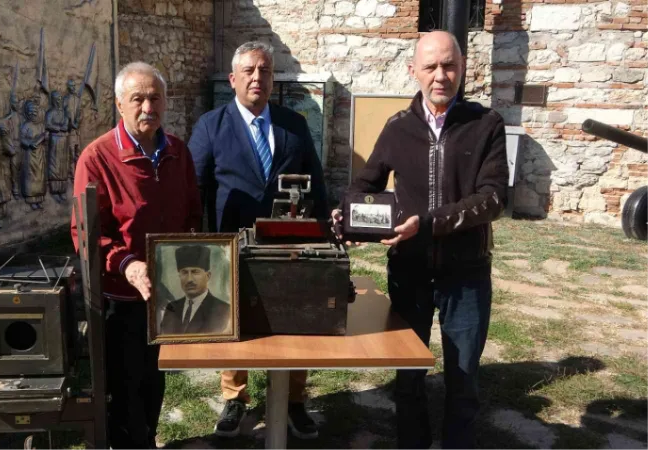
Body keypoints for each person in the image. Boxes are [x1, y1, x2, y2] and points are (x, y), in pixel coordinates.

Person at [332, 30, 509, 450]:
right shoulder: (397, 128)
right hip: (409, 271)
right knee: (408, 377)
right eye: (430, 66)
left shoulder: (487, 125)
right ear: (413, 71)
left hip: (465, 276)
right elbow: (364, 184)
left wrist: (428, 223)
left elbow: (493, 198)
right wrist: (349, 215)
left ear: (463, 67)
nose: (440, 75)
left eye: (449, 65)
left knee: (463, 379)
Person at [188, 40, 327, 440]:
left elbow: (315, 182)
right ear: (232, 79)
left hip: (288, 244)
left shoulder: (293, 124)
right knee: (237, 324)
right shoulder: (211, 126)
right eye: (249, 70)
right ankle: (235, 397)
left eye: (265, 71)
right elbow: (195, 187)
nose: (257, 78)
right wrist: (198, 242)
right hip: (232, 245)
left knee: (296, 319)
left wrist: (322, 230)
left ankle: (293, 400)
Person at [70, 61, 201, 450]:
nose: (148, 107)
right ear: (119, 105)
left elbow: (193, 212)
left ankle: (148, 437)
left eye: (155, 98)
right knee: (123, 384)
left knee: (155, 375)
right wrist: (128, 264)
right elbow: (84, 234)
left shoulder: (178, 152)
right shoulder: (97, 158)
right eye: (138, 98)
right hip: (119, 297)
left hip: (167, 293)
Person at [160, 245, 231, 335]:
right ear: (179, 276)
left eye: (195, 272)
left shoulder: (223, 310)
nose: (189, 279)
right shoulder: (171, 308)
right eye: (184, 272)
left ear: (208, 276)